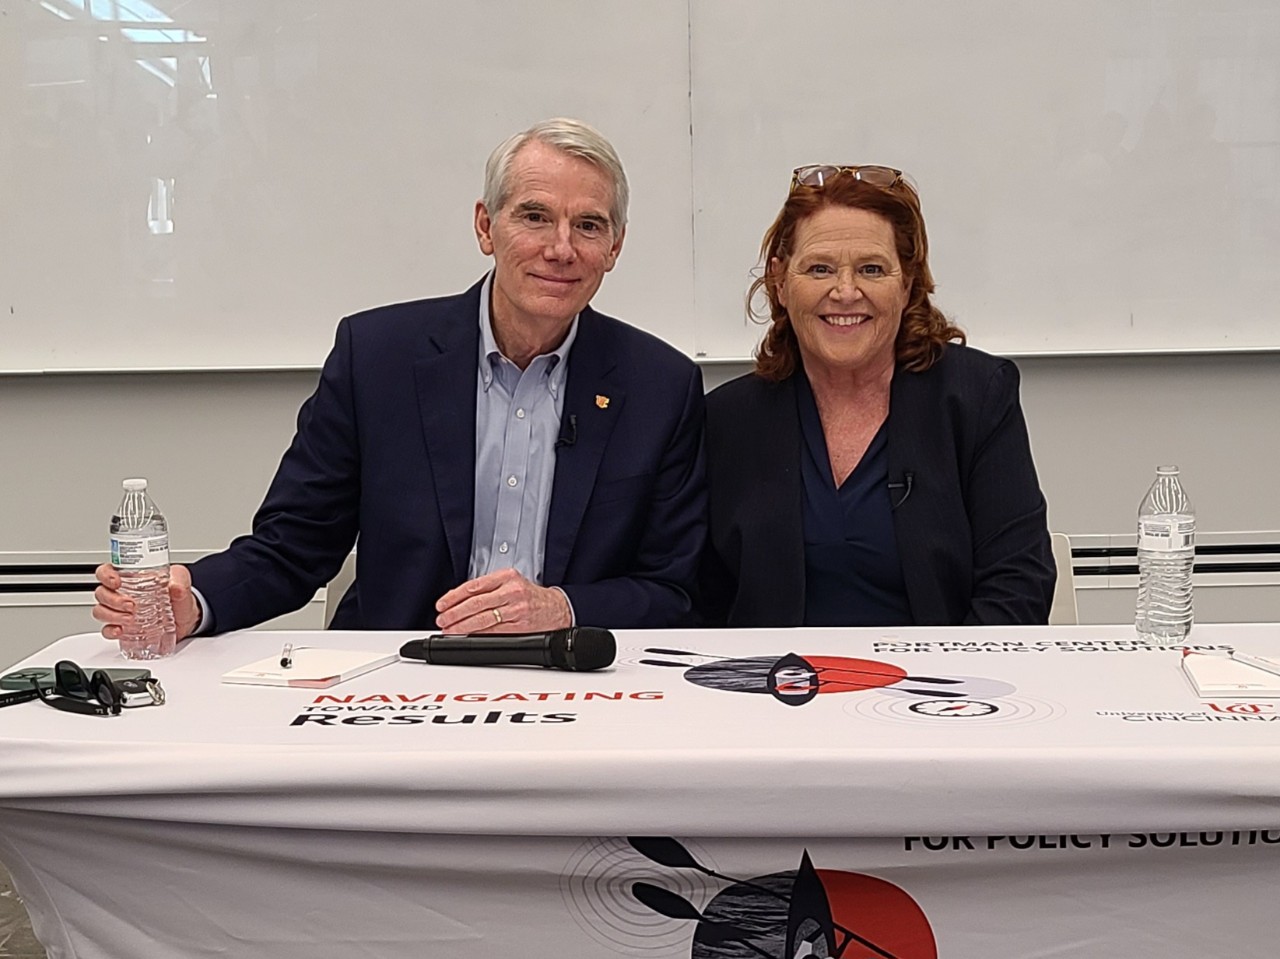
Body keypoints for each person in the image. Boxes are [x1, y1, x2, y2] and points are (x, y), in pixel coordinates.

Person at [93, 118, 707, 641]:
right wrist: (194, 601)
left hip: (575, 683)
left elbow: (675, 590)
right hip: (396, 678)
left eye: (589, 226)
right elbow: (293, 546)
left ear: (615, 246)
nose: (561, 248)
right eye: (535, 217)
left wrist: (561, 608)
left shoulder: (660, 386)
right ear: (485, 227)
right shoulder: (377, 359)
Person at [699, 164, 1054, 627]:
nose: (845, 292)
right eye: (820, 268)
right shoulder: (726, 420)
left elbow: (1018, 585)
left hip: (942, 673)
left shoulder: (976, 397)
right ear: (780, 282)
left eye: (871, 269)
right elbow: (698, 600)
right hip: (775, 673)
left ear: (907, 284)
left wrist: (946, 672)